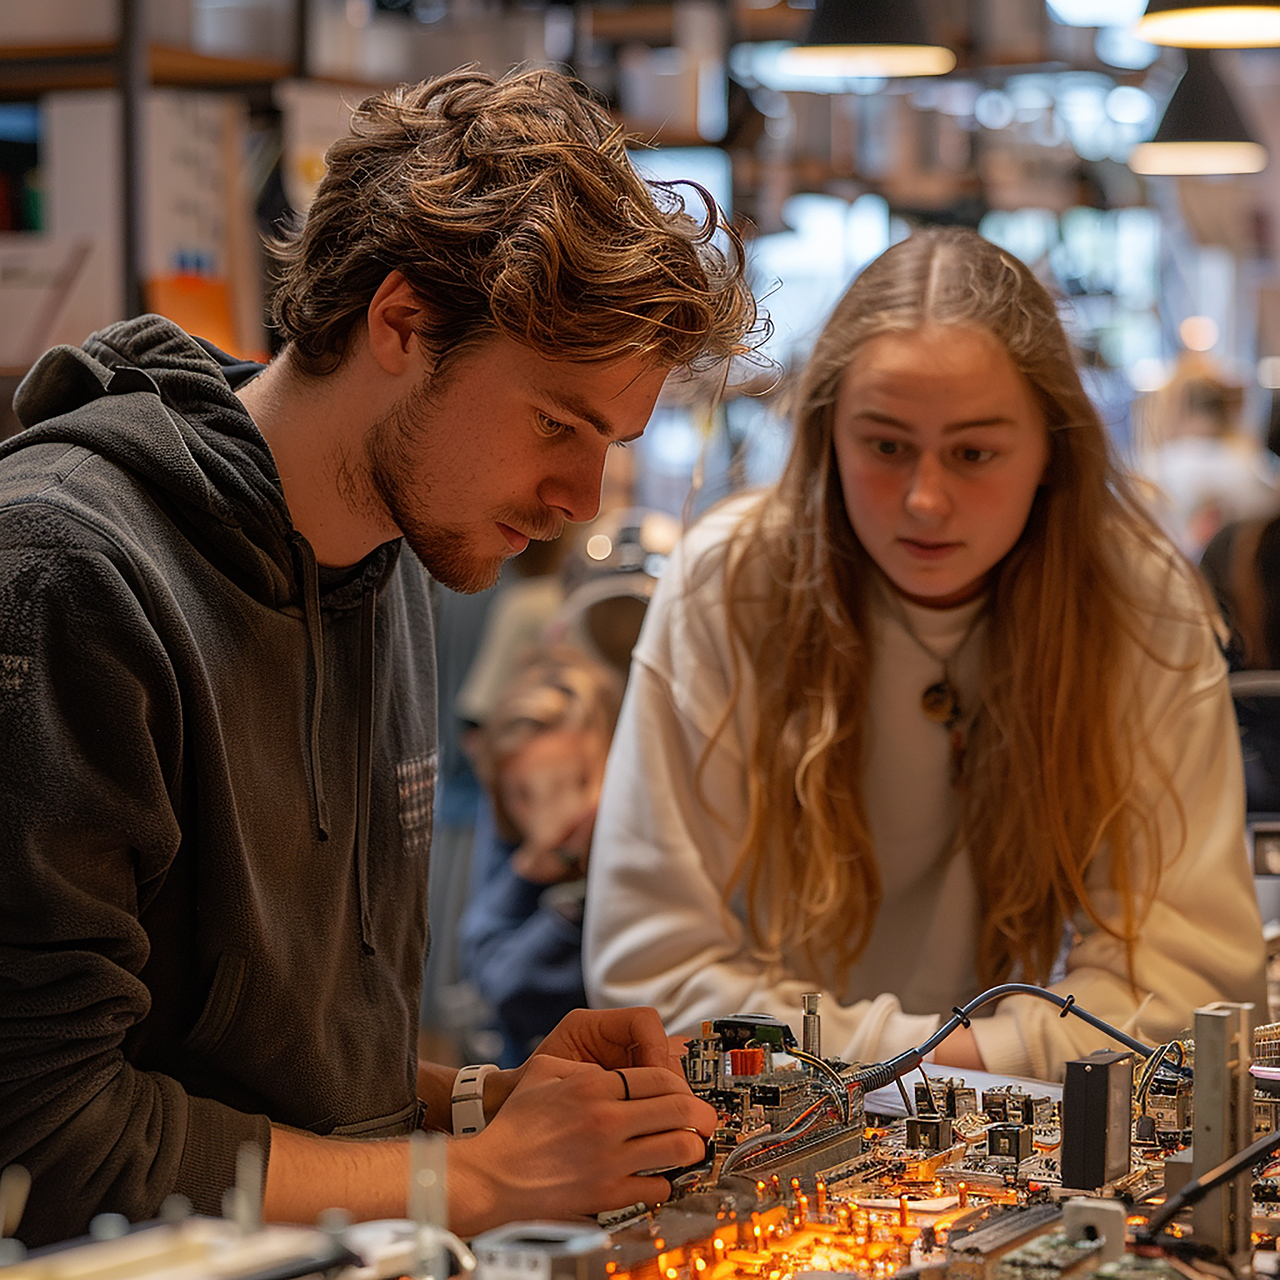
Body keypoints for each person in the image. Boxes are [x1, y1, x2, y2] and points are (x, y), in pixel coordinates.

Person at [0, 66, 758, 1247]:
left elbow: (251, 1069)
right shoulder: (67, 572)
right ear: (400, 322)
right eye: (556, 423)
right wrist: (473, 1184)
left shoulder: (394, 551)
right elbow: (41, 1132)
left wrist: (479, 1107)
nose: (576, 496)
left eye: (608, 441)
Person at [584, 226, 1267, 1085]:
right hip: (782, 1143)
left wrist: (932, 1064)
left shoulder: (1138, 601)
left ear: (1051, 451)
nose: (926, 499)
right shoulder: (731, 582)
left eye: (974, 453)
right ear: (829, 436)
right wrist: (982, 1062)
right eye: (886, 446)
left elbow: (1197, 986)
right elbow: (653, 974)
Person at [461, 645, 624, 1066]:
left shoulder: (632, 866)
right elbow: (495, 978)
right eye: (525, 796)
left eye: (579, 781)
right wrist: (530, 872)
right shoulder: (521, 849)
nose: (554, 818)